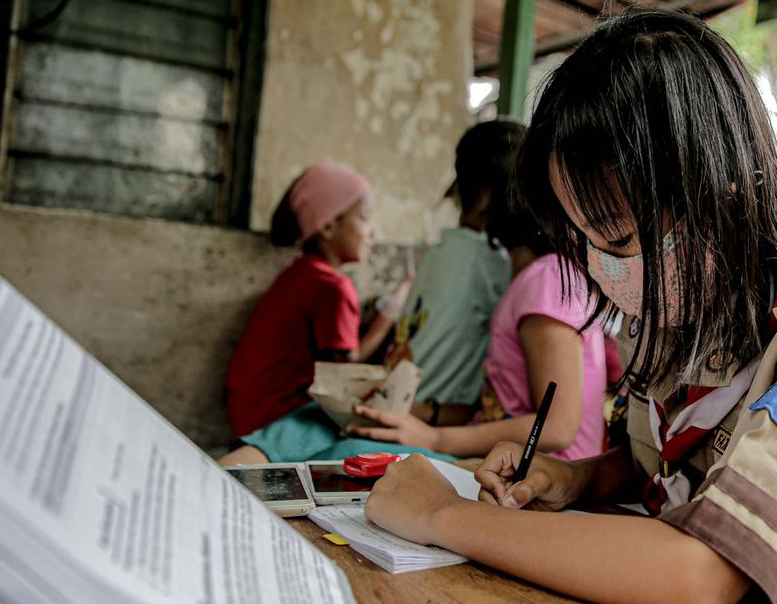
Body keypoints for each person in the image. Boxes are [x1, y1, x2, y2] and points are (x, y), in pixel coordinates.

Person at [358, 9, 777, 604]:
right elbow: (667, 466)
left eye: (613, 235)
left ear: (719, 198)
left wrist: (441, 514)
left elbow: (703, 576)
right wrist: (578, 477)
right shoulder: (675, 315)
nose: (598, 264)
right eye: (579, 236)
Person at [349, 141, 609, 461]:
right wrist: (426, 414)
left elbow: (556, 428)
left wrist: (434, 438)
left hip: (544, 474)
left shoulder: (547, 280)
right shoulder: (534, 279)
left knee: (360, 456)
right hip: (502, 458)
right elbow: (500, 411)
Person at [219, 162, 411, 466]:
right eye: (363, 219)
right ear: (327, 227)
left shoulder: (302, 274)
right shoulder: (332, 287)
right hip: (275, 422)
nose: (372, 233)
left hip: (246, 413)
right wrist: (390, 314)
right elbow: (344, 371)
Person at [387, 121, 517, 424]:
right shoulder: (490, 262)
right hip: (431, 418)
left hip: (399, 404)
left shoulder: (442, 250)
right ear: (490, 195)